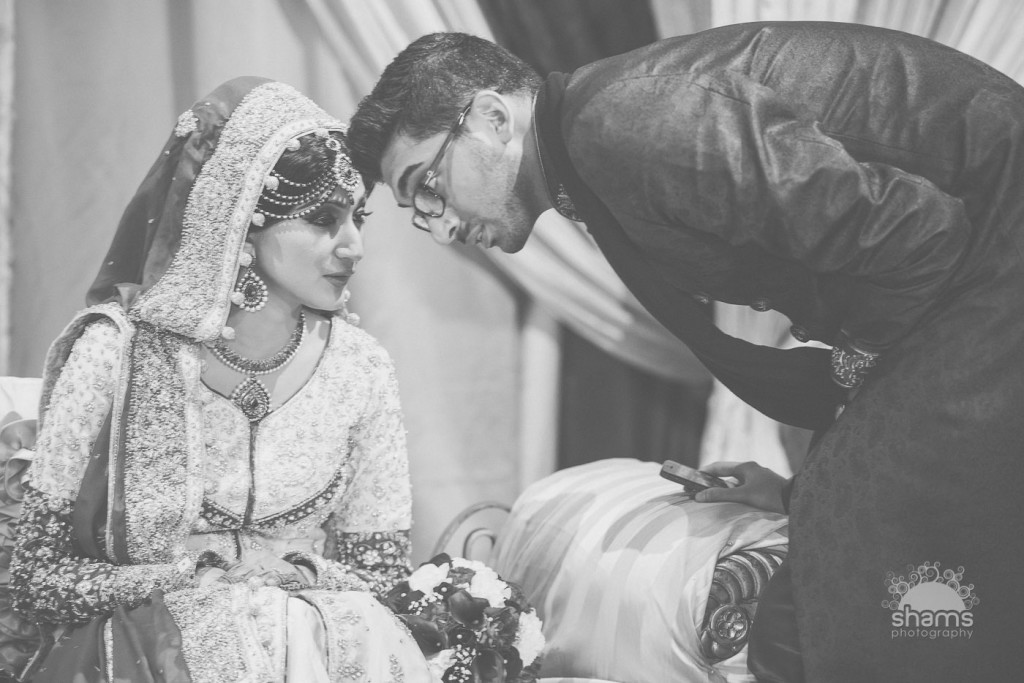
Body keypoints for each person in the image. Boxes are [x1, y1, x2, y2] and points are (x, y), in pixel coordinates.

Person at [346, 22, 1024, 683]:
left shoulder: (622, 123)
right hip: (968, 267)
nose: (441, 227)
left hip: (998, 238)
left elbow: (917, 234)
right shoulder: (592, 137)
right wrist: (800, 487)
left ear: (493, 118)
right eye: (419, 213)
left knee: (875, 569)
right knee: (853, 541)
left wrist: (852, 381)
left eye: (428, 184)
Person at [9, 77, 432, 682]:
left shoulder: (360, 366)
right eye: (323, 219)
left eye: (357, 218)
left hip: (323, 648)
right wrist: (191, 579)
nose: (353, 246)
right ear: (239, 218)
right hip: (147, 652)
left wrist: (296, 577)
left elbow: (383, 576)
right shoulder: (117, 353)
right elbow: (37, 578)